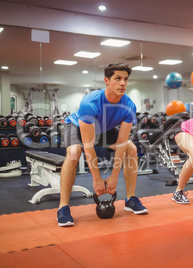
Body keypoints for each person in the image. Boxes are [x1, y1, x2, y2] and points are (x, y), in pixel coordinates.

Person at [57, 63, 148, 227]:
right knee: (74, 152)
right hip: (76, 125)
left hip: (104, 128)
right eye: (118, 78)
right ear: (107, 80)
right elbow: (88, 146)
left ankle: (131, 199)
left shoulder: (129, 106)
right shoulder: (90, 102)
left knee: (131, 148)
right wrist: (97, 179)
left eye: (126, 79)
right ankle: (63, 207)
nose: (123, 83)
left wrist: (114, 177)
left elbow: (121, 143)